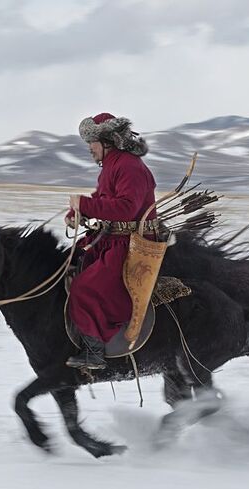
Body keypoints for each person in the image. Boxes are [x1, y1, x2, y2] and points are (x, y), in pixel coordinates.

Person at [65, 113, 157, 370]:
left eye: (92, 143)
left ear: (107, 141)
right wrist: (78, 212)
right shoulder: (113, 165)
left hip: (130, 245)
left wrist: (84, 204)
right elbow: (103, 198)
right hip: (112, 240)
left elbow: (126, 208)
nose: (89, 149)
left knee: (85, 288)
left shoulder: (129, 166)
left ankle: (94, 351)